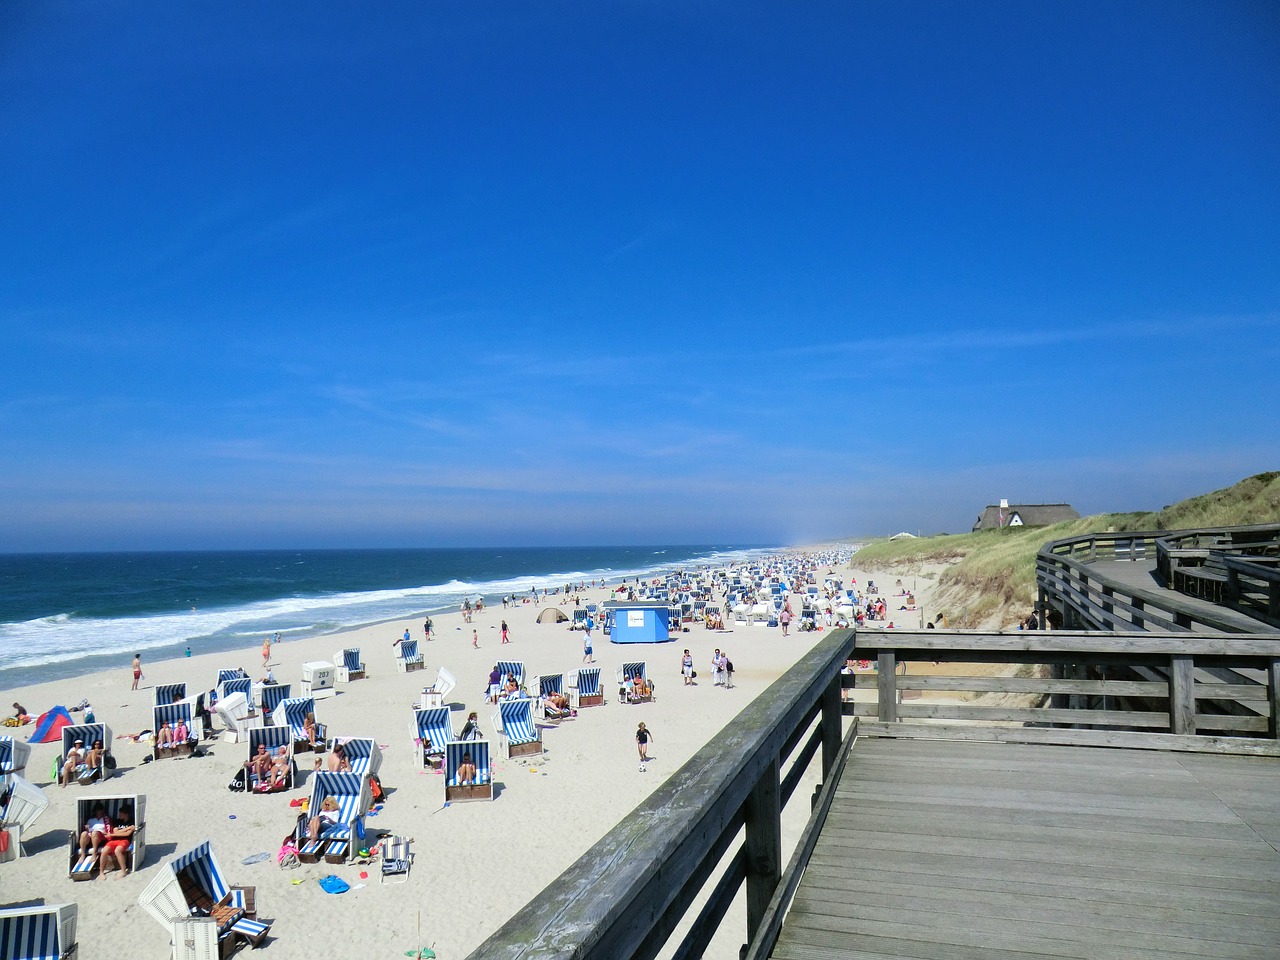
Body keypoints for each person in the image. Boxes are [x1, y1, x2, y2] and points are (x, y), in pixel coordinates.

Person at [103, 803, 136, 877]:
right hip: (115, 840)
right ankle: (101, 872)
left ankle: (123, 871)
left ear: (126, 814)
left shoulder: (132, 821)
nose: (119, 815)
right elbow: (116, 832)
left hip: (125, 840)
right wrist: (127, 828)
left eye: (121, 814)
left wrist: (113, 834)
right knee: (104, 850)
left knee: (117, 851)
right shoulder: (117, 821)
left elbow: (127, 834)